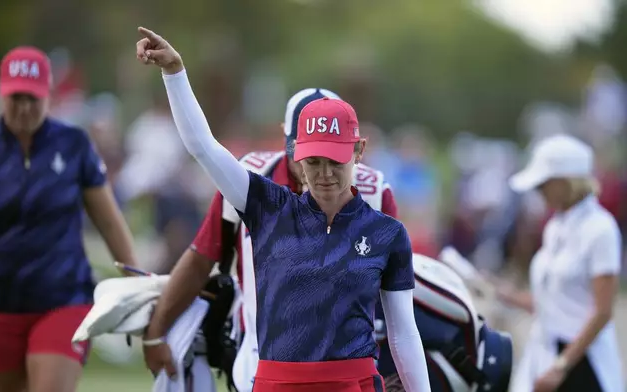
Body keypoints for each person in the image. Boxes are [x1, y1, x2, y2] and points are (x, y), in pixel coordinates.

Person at [135, 26, 431, 392]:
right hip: (274, 380)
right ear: (295, 154)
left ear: (359, 151)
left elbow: (404, 334)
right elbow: (203, 147)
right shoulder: (266, 206)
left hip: (353, 382)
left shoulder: (387, 232)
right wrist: (175, 73)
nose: (324, 174)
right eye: (313, 160)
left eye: (336, 160)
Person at [0, 46, 139, 392]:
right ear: (0, 93)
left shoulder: (72, 144)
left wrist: (137, 280)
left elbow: (108, 220)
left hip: (63, 298)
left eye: (33, 99)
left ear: (48, 95)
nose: (24, 108)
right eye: (16, 98)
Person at [495, 134, 623, 392]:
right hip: (545, 352)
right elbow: (553, 299)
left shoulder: (601, 229)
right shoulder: (555, 227)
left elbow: (602, 311)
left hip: (582, 360)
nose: (538, 191)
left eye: (544, 184)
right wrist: (506, 295)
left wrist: (562, 365)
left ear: (566, 183)